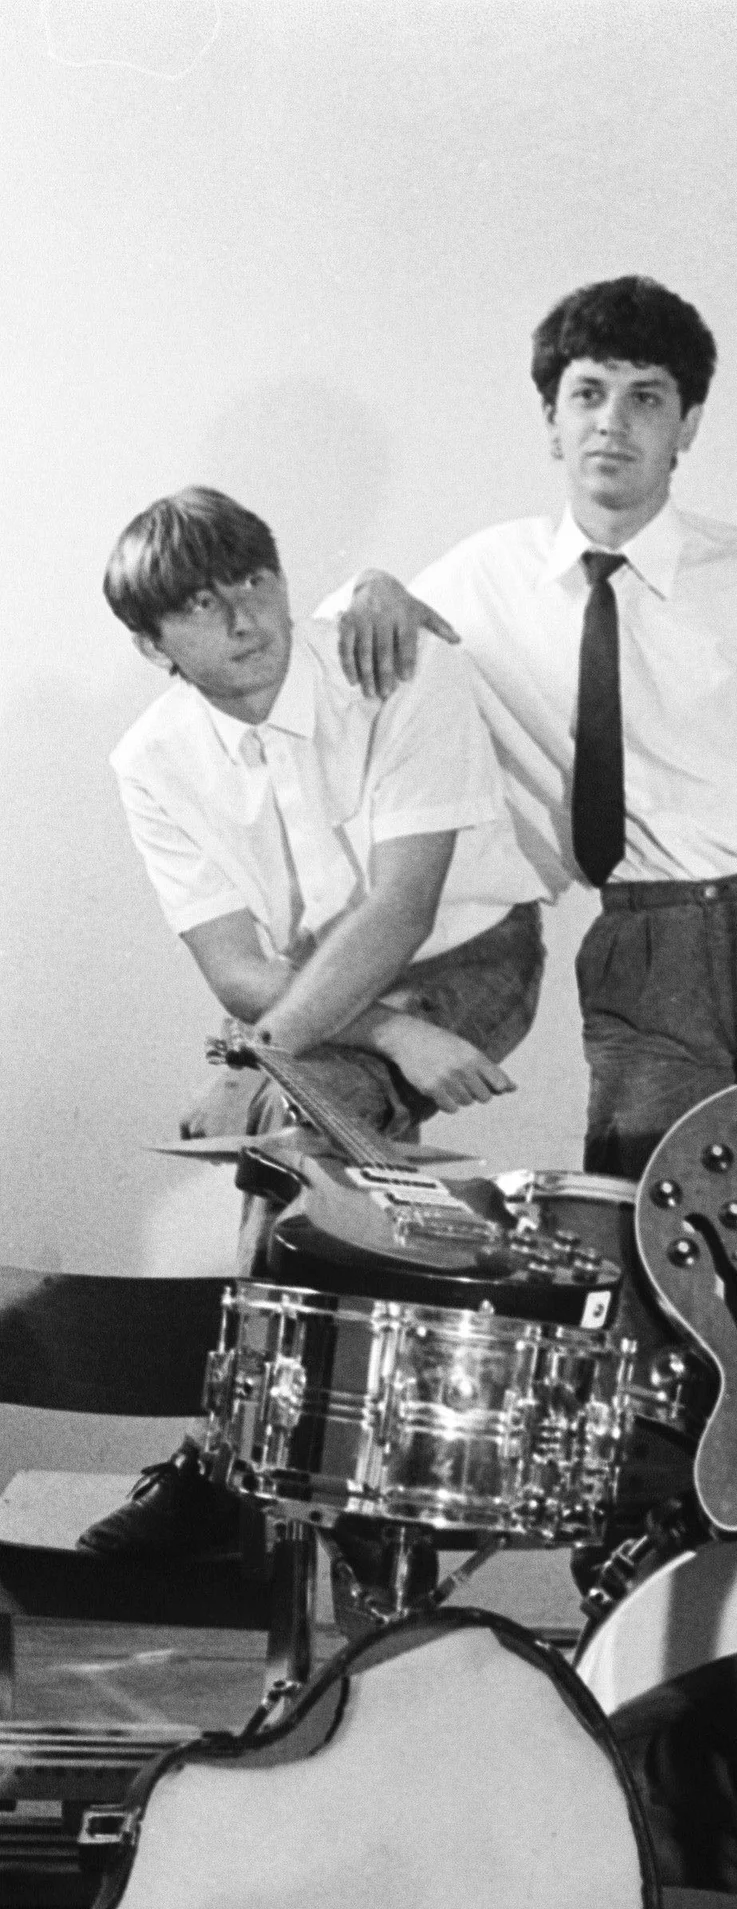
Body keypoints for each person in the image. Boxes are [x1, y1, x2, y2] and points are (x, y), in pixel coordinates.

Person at [333, 274, 737, 1179]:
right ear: (552, 421)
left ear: (687, 426)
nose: (612, 422)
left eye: (646, 398)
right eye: (588, 394)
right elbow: (343, 644)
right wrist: (369, 585)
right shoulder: (485, 577)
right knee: (649, 1210)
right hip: (647, 944)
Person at [81, 485, 543, 1555]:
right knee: (299, 1144)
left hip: (470, 952)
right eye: (199, 606)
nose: (243, 618)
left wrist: (263, 1065)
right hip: (316, 999)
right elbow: (236, 967)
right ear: (153, 645)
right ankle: (335, 1473)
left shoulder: (398, 661)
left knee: (286, 1125)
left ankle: (233, 1465)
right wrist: (385, 1034)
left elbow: (403, 906)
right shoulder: (150, 758)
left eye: (254, 580)